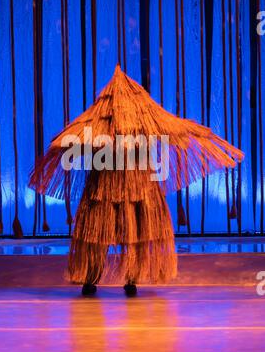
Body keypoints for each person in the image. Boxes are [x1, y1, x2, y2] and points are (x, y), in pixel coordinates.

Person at [29, 65, 244, 296]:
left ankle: (114, 280)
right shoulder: (107, 124)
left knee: (130, 232)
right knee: (113, 233)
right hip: (112, 188)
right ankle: (103, 279)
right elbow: (72, 142)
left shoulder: (122, 124)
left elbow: (174, 132)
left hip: (133, 187)